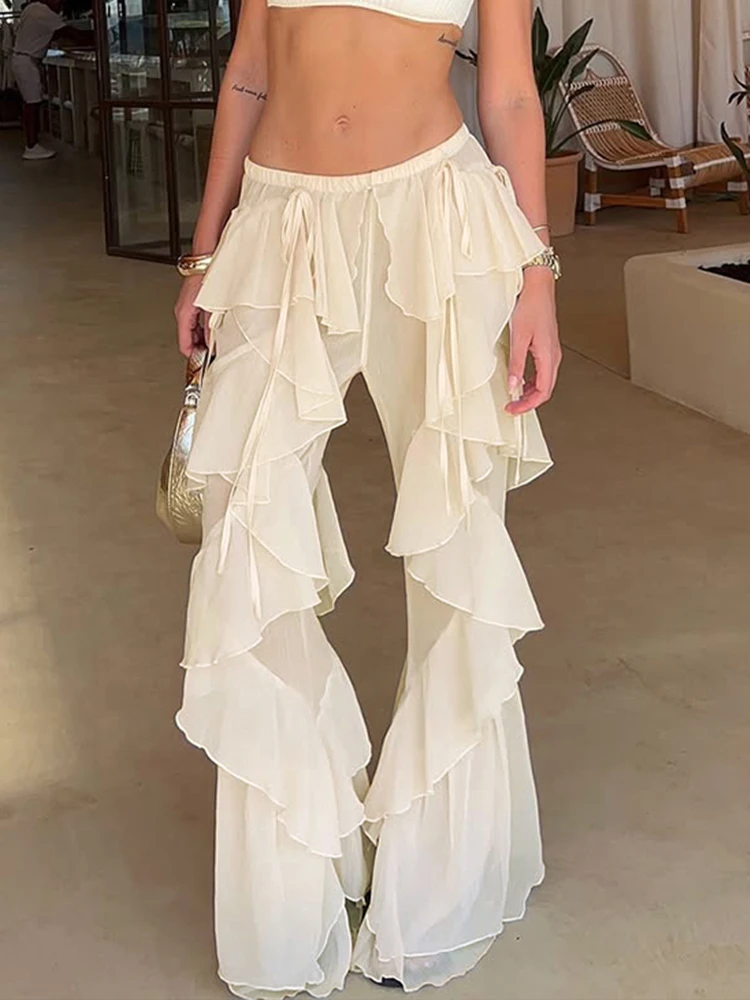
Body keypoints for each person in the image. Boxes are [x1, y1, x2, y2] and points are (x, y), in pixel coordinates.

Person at [173, 1, 562, 997]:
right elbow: (250, 71)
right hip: (279, 220)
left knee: (458, 537)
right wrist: (204, 256)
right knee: (244, 537)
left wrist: (538, 275)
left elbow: (511, 94)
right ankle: (302, 864)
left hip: (438, 214)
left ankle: (439, 883)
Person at [11, 0, 92, 160]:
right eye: (59, 2)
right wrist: (97, 37)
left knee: (30, 103)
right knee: (32, 104)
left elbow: (50, 33)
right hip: (27, 62)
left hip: (22, 59)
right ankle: (32, 146)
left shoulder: (32, 8)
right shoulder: (45, 13)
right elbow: (70, 33)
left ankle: (32, 143)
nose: (60, 7)